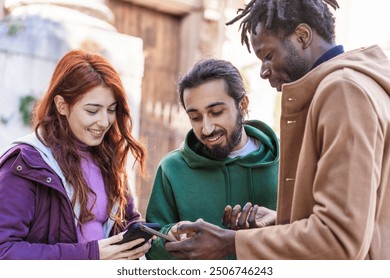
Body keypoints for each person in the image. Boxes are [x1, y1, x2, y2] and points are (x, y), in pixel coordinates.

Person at [164, 0, 390, 259]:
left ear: (302, 36)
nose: (263, 71)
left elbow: (338, 240)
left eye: (268, 56)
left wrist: (231, 242)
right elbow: (365, 222)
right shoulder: (358, 85)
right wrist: (280, 223)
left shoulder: (343, 92)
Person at [0, 49, 151, 260]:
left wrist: (157, 238)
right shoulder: (25, 164)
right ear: (62, 105)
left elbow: (127, 222)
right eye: (92, 110)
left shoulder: (109, 158)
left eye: (111, 110)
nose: (104, 121)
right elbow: (4, 252)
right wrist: (91, 256)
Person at [145, 58, 279, 259]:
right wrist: (170, 236)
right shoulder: (171, 169)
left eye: (216, 112)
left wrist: (278, 223)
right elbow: (152, 250)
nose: (206, 128)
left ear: (242, 105)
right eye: (195, 117)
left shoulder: (290, 160)